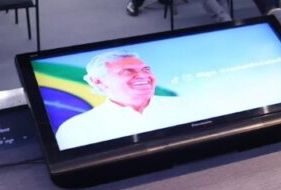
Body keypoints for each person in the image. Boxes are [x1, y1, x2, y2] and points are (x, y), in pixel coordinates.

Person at [56, 51, 187, 150]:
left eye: (146, 69)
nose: (142, 76)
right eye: (127, 71)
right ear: (99, 81)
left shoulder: (187, 106)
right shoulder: (75, 128)